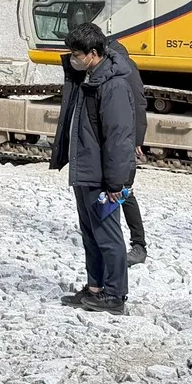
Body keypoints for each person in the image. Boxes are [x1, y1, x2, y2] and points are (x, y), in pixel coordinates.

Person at [51, 24, 138, 317]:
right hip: (85, 171)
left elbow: (118, 139)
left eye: (76, 54)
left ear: (93, 53)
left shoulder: (112, 85)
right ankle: (95, 288)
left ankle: (115, 294)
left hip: (102, 177)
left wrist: (115, 184)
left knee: (108, 236)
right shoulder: (86, 79)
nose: (72, 58)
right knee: (90, 233)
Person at [122, 53, 149, 267]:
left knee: (124, 190)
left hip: (123, 140)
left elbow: (139, 103)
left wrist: (137, 139)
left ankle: (138, 243)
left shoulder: (122, 66)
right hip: (119, 139)